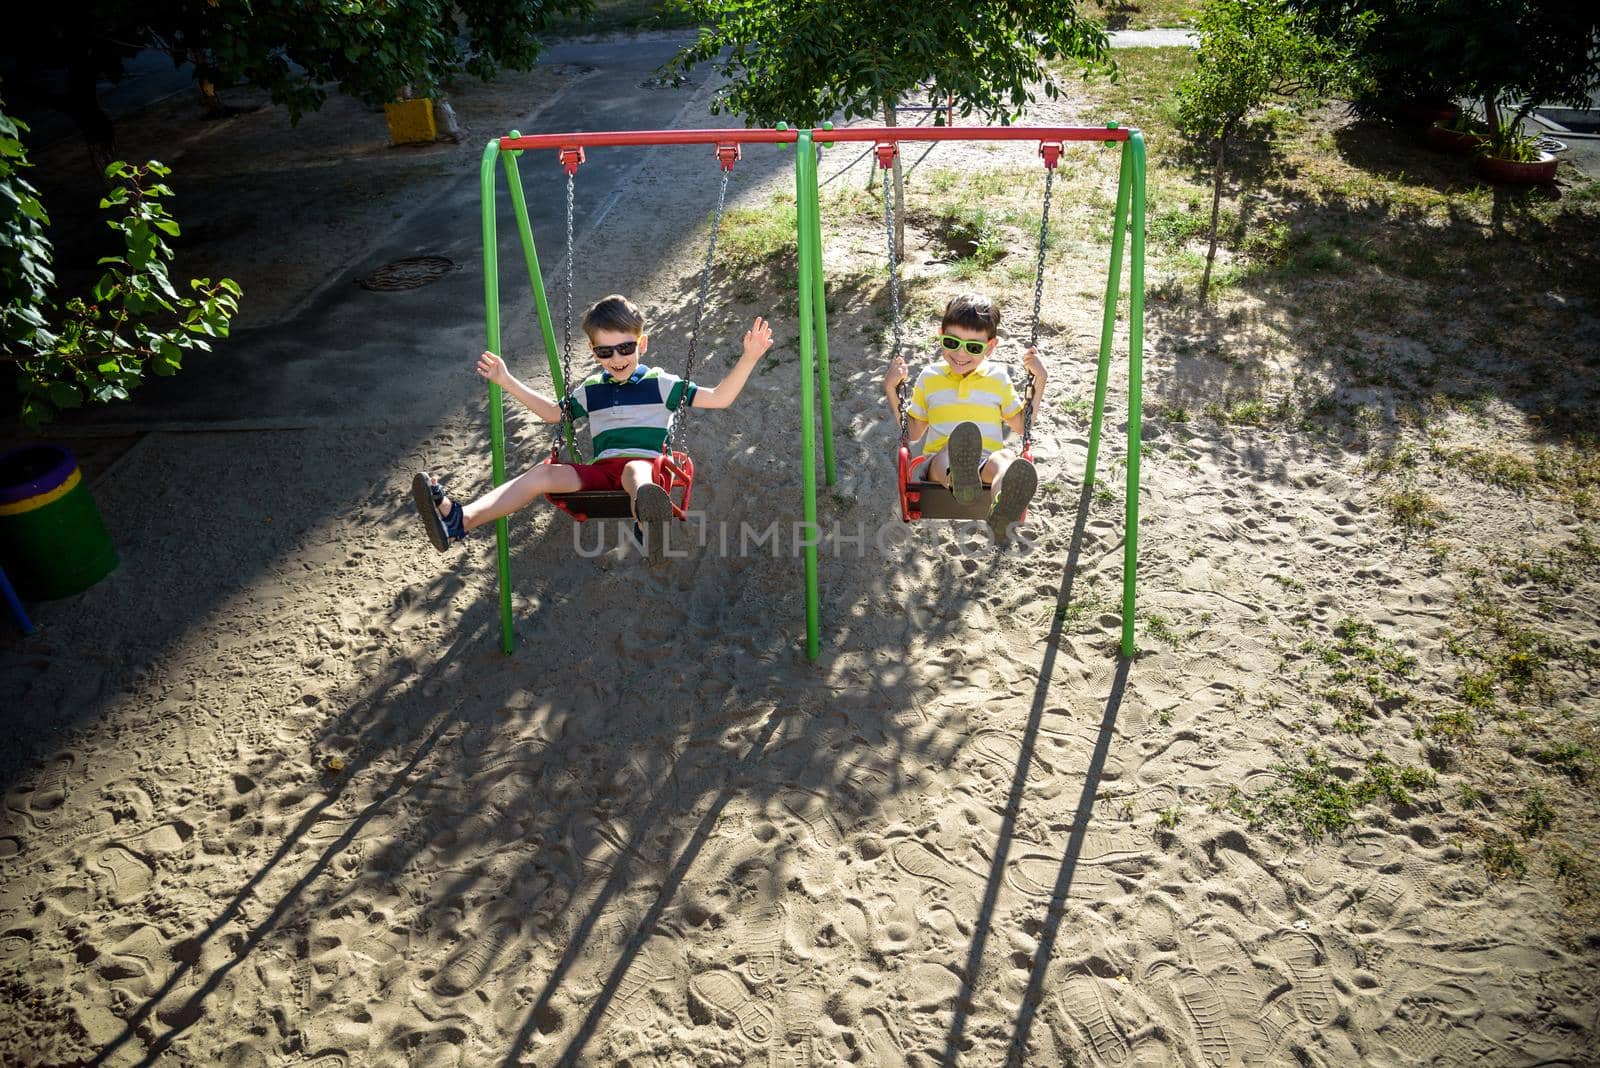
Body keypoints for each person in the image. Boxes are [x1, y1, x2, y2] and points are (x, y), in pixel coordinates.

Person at [414, 294, 773, 564]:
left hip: (648, 469)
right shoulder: (592, 389)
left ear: (641, 343)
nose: (616, 359)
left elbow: (720, 397)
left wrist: (750, 356)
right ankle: (459, 520)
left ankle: (650, 521)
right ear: (593, 352)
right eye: (605, 352)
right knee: (543, 474)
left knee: (635, 471)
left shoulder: (661, 384)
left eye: (625, 348)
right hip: (601, 474)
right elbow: (554, 414)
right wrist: (506, 379)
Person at [882, 293, 1046, 541]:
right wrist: (891, 389)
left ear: (990, 346)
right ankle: (959, 478)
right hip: (938, 467)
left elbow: (1022, 426)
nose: (960, 353)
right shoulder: (930, 377)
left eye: (972, 347)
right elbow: (913, 432)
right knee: (948, 454)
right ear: (941, 335)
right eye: (952, 342)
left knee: (1005, 459)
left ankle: (1002, 508)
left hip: (983, 463)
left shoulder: (998, 378)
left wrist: (1040, 381)